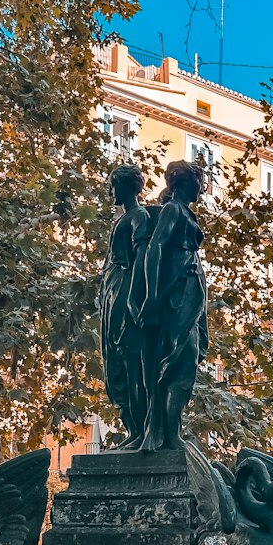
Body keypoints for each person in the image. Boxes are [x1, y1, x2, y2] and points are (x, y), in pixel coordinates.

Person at [131, 159, 208, 451]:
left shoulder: (185, 213)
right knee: (178, 363)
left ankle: (170, 430)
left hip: (190, 294)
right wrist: (151, 298)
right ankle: (168, 433)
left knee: (183, 363)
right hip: (175, 295)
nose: (202, 186)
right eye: (198, 180)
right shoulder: (173, 210)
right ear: (184, 183)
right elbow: (155, 249)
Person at [99, 164, 154, 449]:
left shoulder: (139, 216)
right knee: (115, 363)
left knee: (131, 363)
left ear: (127, 186)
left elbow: (143, 258)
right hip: (111, 292)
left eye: (113, 185)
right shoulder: (122, 219)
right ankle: (132, 429)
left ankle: (139, 430)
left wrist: (135, 299)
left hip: (124, 290)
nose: (110, 191)